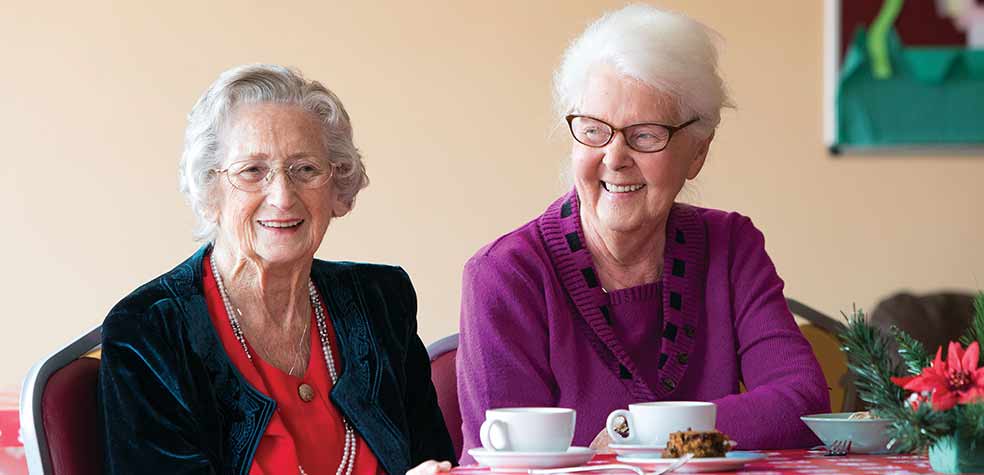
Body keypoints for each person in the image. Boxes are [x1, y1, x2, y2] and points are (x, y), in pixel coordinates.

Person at [457, 5, 829, 463]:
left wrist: (646, 435)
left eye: (646, 135)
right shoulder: (506, 276)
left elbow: (802, 401)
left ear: (698, 152)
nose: (615, 158)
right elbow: (504, 465)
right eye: (594, 131)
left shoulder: (731, 247)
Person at [98, 64, 454, 475]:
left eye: (305, 169)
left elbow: (437, 462)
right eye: (252, 171)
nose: (283, 197)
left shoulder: (381, 302)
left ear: (338, 187)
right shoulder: (151, 330)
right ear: (210, 190)